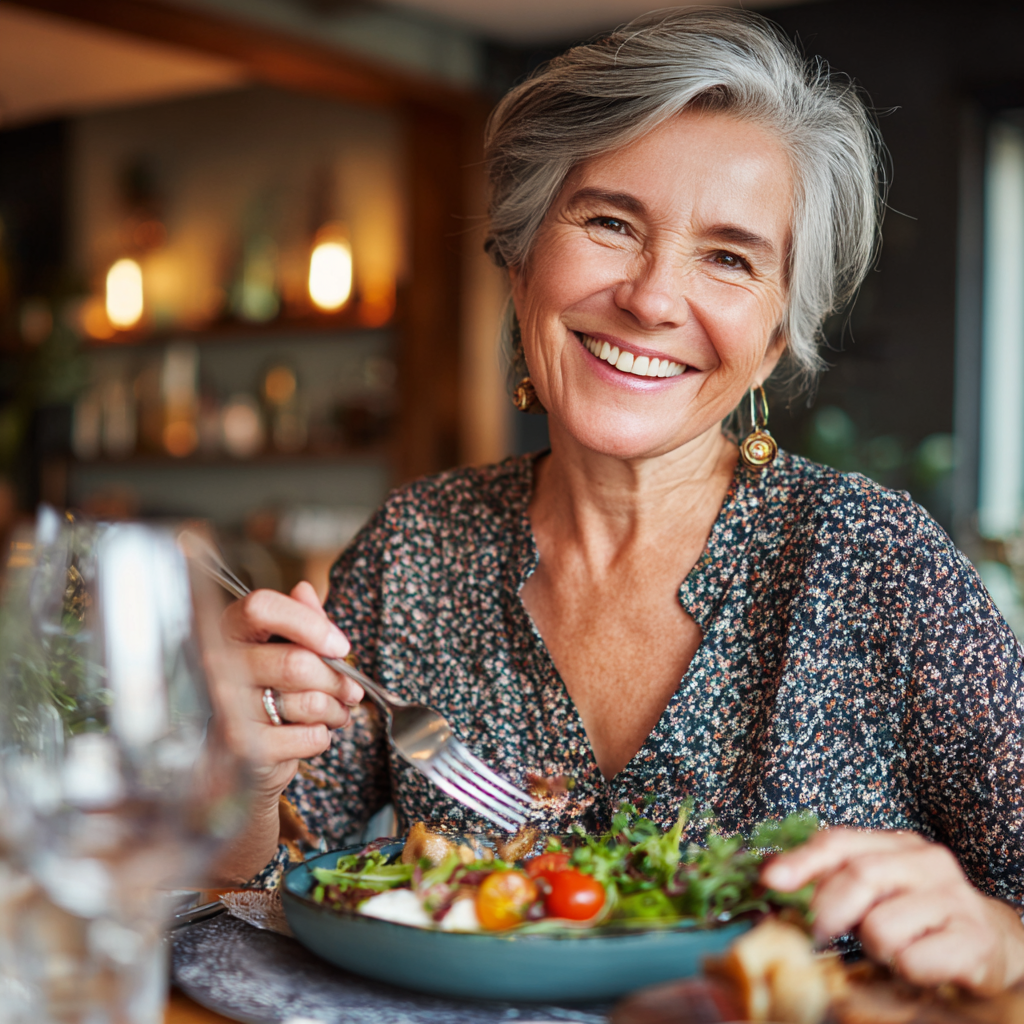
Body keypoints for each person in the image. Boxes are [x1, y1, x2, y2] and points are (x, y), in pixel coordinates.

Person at [213, 8, 1024, 996]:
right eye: (609, 222)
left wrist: (999, 935)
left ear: (771, 340)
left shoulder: (876, 561)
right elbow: (257, 907)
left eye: (729, 257)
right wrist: (246, 780)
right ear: (519, 265)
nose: (649, 298)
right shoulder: (416, 545)